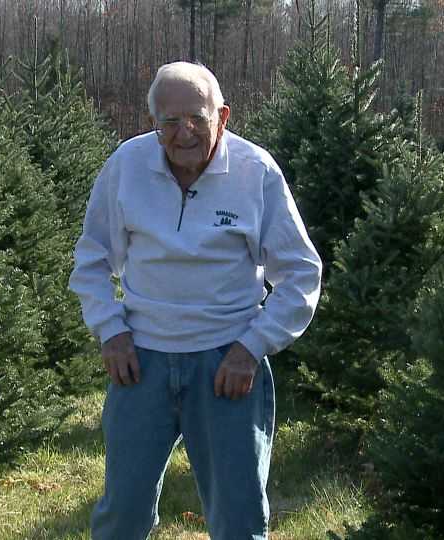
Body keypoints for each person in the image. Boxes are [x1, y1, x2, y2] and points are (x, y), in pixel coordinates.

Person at [69, 61, 322, 540]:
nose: (183, 132)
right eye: (169, 121)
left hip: (226, 364)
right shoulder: (126, 166)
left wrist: (251, 348)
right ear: (153, 124)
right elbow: (92, 259)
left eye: (197, 118)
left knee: (239, 519)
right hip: (140, 362)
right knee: (121, 515)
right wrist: (112, 331)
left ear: (222, 117)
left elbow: (301, 274)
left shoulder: (255, 172)